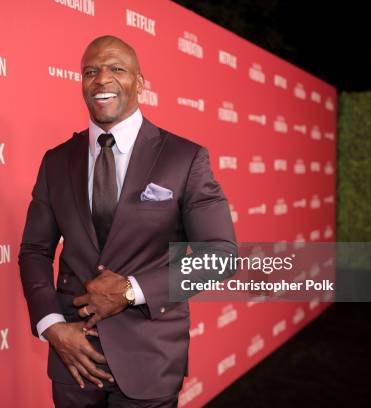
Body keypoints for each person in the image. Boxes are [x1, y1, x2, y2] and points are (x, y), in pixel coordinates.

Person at [19, 35, 237, 408]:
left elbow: (219, 255)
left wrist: (131, 290)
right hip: (73, 356)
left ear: (139, 83)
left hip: (149, 357)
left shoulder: (184, 158)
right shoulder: (56, 161)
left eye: (116, 68)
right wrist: (51, 325)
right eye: (91, 71)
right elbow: (35, 250)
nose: (102, 79)